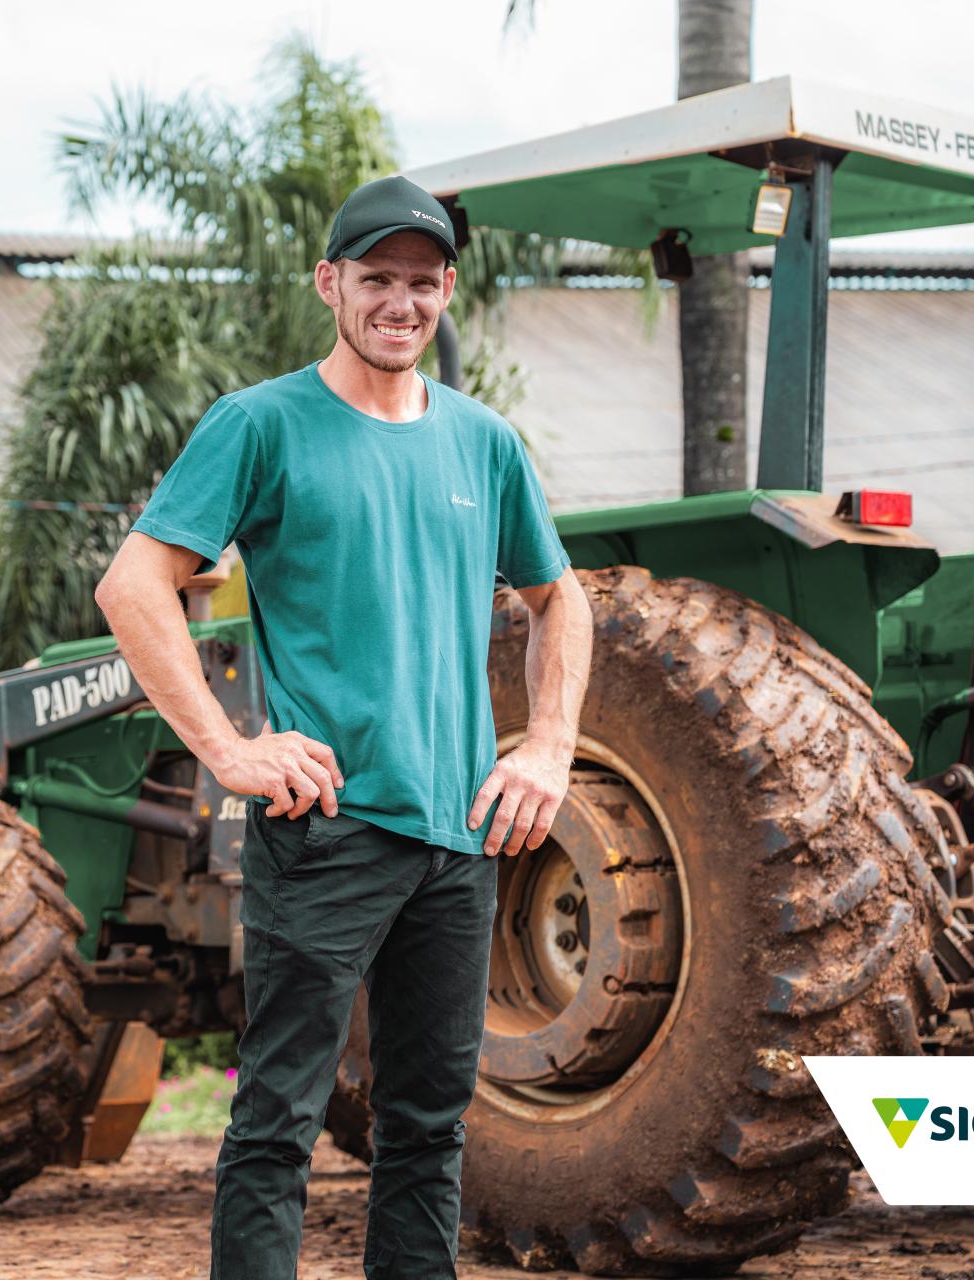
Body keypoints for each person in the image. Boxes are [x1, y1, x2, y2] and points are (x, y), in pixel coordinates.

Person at [93, 173, 592, 1280]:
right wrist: (230, 749)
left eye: (423, 281)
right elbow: (133, 586)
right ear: (330, 283)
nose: (400, 302)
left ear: (447, 291)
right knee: (279, 1120)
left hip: (457, 839)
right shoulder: (261, 424)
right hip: (327, 828)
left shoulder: (484, 443)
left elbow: (561, 597)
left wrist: (549, 744)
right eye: (377, 278)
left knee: (429, 1128)